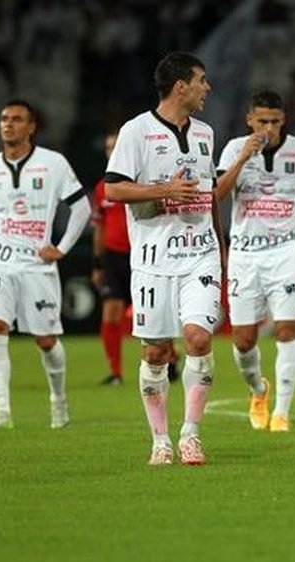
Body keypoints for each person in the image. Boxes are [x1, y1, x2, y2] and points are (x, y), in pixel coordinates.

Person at [104, 52, 224, 466]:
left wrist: (222, 248)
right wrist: (164, 191)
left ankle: (190, 434)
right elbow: (113, 191)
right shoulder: (136, 132)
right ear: (181, 87)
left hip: (200, 256)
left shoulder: (206, 133)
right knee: (156, 353)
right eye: (202, 80)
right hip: (153, 259)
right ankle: (160, 440)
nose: (207, 88)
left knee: (198, 338)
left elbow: (209, 198)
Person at [215, 89, 295, 432]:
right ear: (249, 120)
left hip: (285, 251)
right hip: (245, 254)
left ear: (284, 120)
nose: (269, 128)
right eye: (262, 121)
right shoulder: (235, 148)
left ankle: (281, 411)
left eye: (275, 121)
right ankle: (257, 389)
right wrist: (241, 159)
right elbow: (217, 195)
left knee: (287, 329)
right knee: (243, 340)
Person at [0, 99, 90, 430]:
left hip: (36, 265)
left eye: (16, 119)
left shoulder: (53, 164)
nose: (8, 124)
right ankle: (2, 412)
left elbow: (81, 208)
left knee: (46, 340)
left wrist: (62, 248)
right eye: (4, 119)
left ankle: (58, 401)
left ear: (32, 126)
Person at [92, 130, 179, 386]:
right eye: (108, 148)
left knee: (156, 313)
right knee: (111, 312)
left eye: (115, 147)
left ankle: (170, 356)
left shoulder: (145, 182)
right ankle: (116, 372)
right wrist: (97, 263)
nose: (112, 152)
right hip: (113, 256)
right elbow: (99, 227)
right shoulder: (102, 189)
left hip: (145, 254)